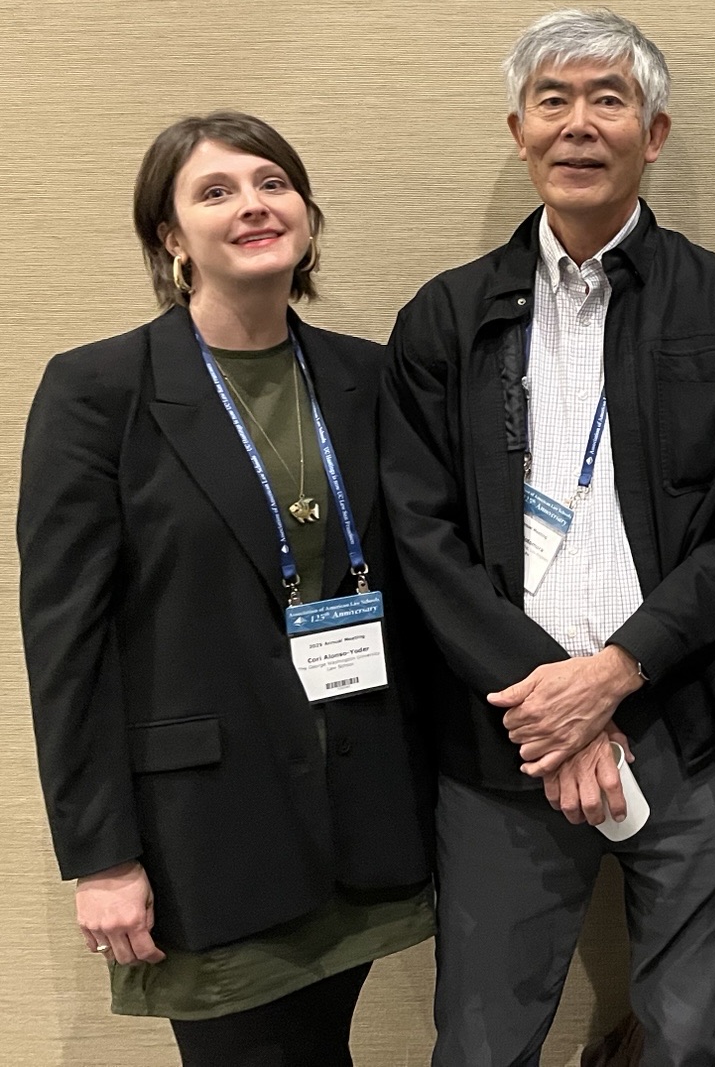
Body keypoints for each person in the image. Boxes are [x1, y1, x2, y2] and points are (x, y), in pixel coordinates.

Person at [380, 8, 715, 1067]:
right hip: (504, 739)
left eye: (607, 99)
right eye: (552, 101)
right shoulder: (446, 317)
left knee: (694, 1037)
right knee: (481, 1041)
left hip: (686, 724)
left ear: (651, 134)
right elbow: (420, 531)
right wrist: (551, 701)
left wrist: (612, 675)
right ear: (517, 130)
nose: (578, 124)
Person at [17, 111, 435, 1067]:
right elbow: (65, 644)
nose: (252, 204)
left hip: (361, 815)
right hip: (204, 836)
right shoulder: (100, 391)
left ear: (307, 213)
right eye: (215, 191)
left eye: (272, 182)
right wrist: (100, 856)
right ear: (171, 238)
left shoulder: (367, 379)